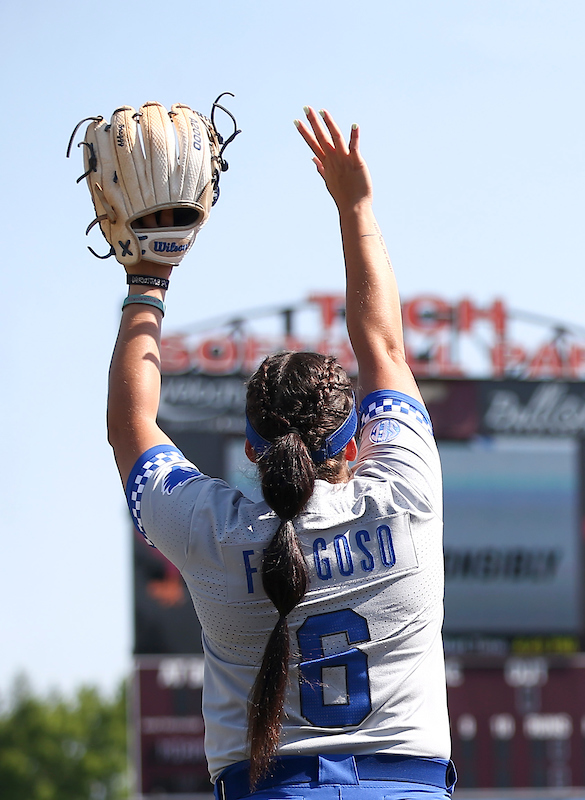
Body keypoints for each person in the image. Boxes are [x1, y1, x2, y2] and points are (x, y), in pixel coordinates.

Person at [108, 108, 456, 799]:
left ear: (250, 447)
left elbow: (131, 424)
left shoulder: (214, 531)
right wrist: (355, 207)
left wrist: (147, 278)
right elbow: (384, 347)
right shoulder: (405, 492)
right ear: (352, 440)